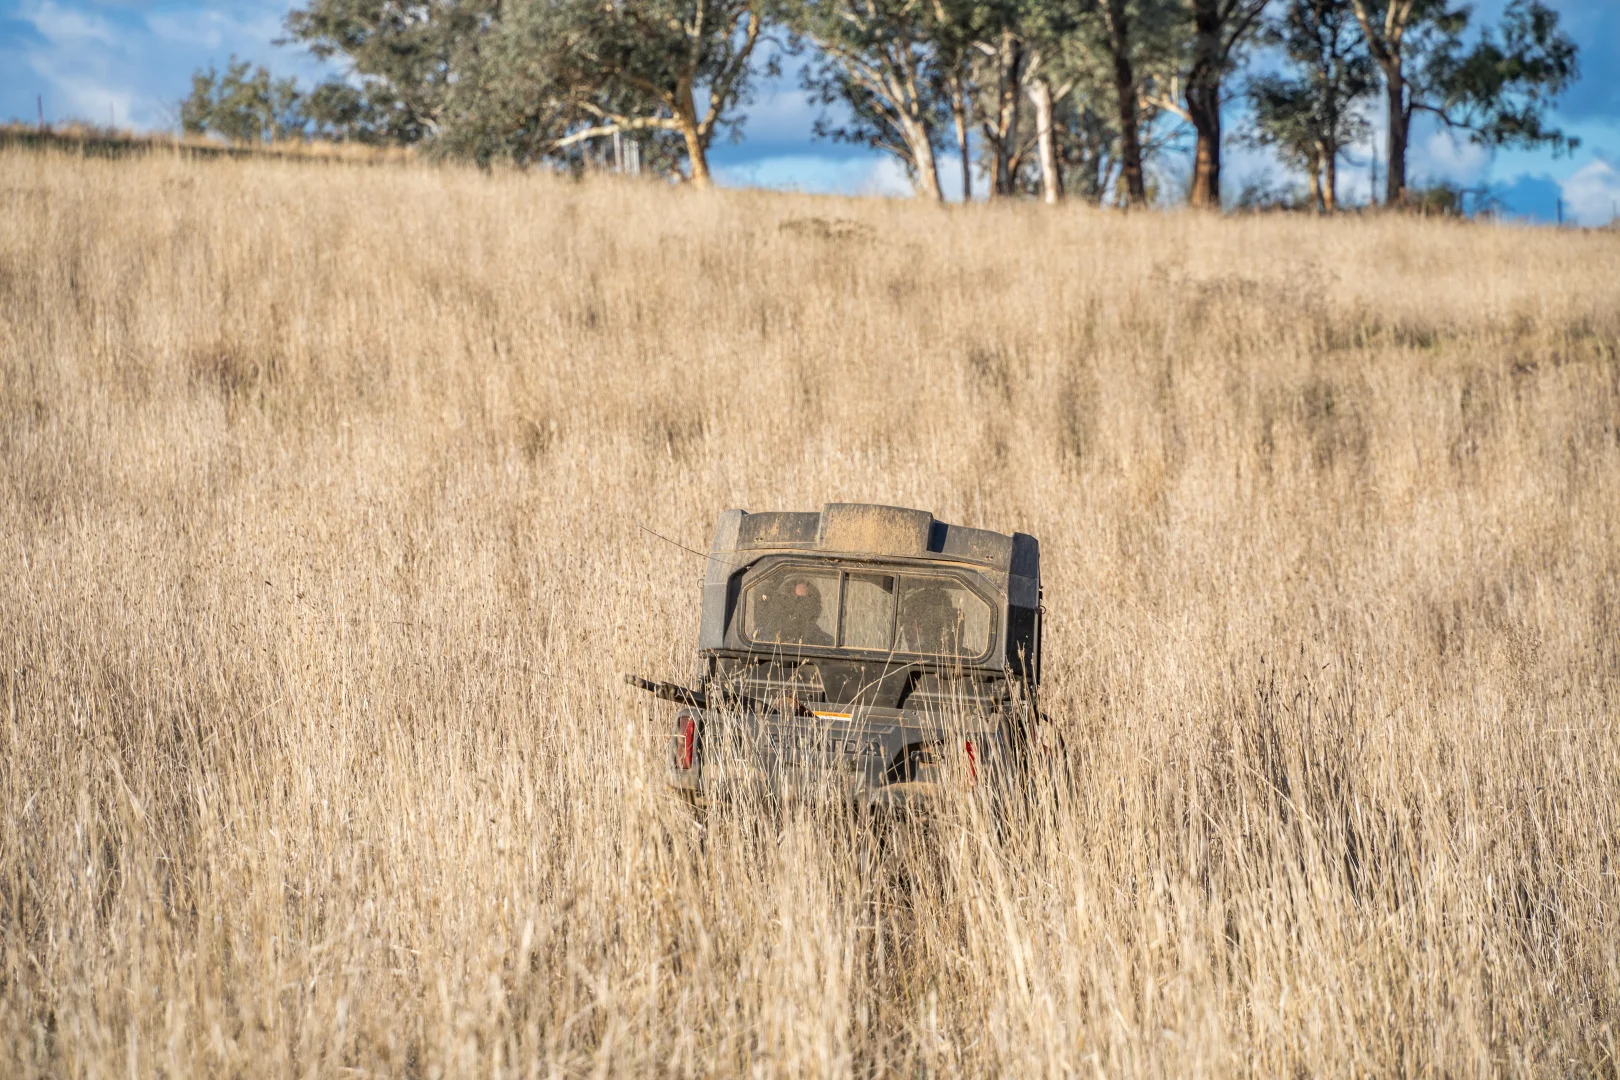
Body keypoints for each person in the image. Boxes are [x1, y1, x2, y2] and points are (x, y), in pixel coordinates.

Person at [770, 576, 833, 647]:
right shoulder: (761, 639)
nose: (796, 612)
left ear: (815, 609)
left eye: (803, 602)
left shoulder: (828, 645)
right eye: (789, 602)